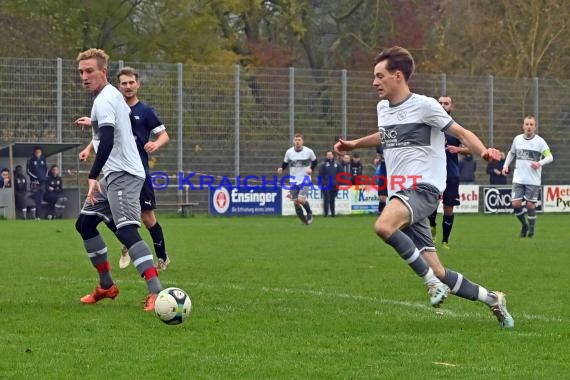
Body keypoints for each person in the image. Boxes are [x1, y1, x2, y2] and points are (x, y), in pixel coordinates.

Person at [334, 46, 513, 328]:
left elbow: (461, 132)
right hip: (401, 193)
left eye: (379, 76)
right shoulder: (383, 109)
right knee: (438, 269)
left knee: (383, 226)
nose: (374, 82)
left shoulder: (426, 105)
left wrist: (483, 152)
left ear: (398, 76)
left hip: (423, 189)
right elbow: (384, 135)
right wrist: (355, 144)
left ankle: (430, 285)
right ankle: (492, 299)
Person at [74, 48, 162, 311]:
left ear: (103, 71)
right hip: (113, 174)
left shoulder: (105, 99)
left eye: (90, 71)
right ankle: (106, 286)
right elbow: (111, 130)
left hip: (124, 174)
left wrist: (92, 176)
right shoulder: (108, 97)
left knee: (126, 230)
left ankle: (157, 293)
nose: (84, 76)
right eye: (81, 72)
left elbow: (109, 139)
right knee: (85, 224)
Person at [427, 96, 470, 247]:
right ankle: (432, 225)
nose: (443, 105)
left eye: (446, 103)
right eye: (440, 103)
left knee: (448, 207)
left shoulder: (456, 128)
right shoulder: (430, 126)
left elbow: (471, 148)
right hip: (432, 172)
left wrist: (458, 149)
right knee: (431, 204)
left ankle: (445, 241)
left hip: (451, 173)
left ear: (452, 107)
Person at [502, 115, 553, 238]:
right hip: (518, 178)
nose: (529, 127)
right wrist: (505, 166)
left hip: (533, 180)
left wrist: (539, 163)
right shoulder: (517, 139)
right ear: (523, 126)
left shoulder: (540, 142)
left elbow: (550, 157)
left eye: (531, 124)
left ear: (535, 127)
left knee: (530, 205)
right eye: (527, 124)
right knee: (515, 204)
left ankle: (531, 229)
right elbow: (511, 153)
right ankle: (524, 225)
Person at [277, 133, 317, 225]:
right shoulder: (289, 152)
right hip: (293, 181)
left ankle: (309, 213)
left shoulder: (309, 151)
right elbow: (285, 163)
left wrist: (311, 169)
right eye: (296, 140)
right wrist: (281, 168)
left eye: (299, 140)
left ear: (302, 141)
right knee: (296, 203)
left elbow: (315, 161)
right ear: (293, 141)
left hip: (305, 179)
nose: (297, 142)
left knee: (301, 200)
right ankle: (304, 221)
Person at [26, 146, 48, 218]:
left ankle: (38, 216)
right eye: (36, 152)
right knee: (36, 197)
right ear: (34, 153)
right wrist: (36, 178)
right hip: (34, 182)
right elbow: (28, 171)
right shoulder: (30, 160)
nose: (38, 154)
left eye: (39, 152)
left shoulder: (43, 159)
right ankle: (34, 213)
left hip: (42, 182)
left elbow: (46, 169)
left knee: (40, 199)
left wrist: (44, 177)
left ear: (41, 153)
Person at [318, 150, 340, 217]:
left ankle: (333, 214)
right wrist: (322, 184)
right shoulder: (323, 165)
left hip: (335, 185)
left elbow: (340, 174)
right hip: (326, 185)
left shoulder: (337, 164)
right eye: (328, 155)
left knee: (332, 200)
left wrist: (338, 183)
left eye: (330, 154)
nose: (329, 156)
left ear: (333, 155)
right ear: (326, 156)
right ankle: (326, 214)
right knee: (326, 200)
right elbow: (320, 175)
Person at [374, 148, 387, 214]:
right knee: (382, 198)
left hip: (394, 173)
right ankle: (381, 213)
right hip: (383, 174)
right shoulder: (379, 145)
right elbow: (378, 157)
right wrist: (378, 160)